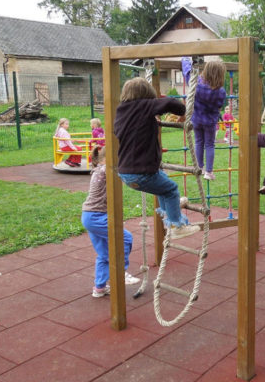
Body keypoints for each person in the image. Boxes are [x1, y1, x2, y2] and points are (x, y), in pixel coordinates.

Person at [114, 77, 199, 240]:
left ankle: (169, 210)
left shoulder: (122, 111)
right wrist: (181, 109)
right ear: (147, 96)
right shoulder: (145, 105)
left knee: (162, 182)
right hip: (142, 173)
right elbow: (171, 104)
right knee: (171, 189)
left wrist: (150, 120)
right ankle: (176, 226)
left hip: (125, 173)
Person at [82, 146, 140, 298]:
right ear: (109, 159)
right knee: (125, 238)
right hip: (97, 216)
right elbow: (130, 178)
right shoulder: (105, 171)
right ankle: (121, 272)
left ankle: (99, 288)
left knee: (103, 254)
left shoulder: (100, 169)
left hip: (89, 216)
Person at [181, 57, 227, 180]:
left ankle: (200, 167)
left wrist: (185, 59)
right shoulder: (221, 91)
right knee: (210, 145)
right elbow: (219, 105)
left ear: (205, 71)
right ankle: (209, 171)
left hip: (196, 119)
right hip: (210, 121)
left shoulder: (196, 83)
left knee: (198, 142)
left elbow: (187, 72)